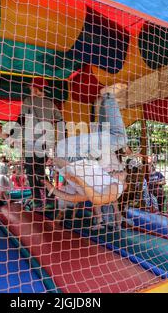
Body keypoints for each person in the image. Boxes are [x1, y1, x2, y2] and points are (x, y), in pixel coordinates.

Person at [44, 83, 131, 230]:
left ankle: (108, 96)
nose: (122, 173)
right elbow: (71, 198)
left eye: (122, 176)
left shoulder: (111, 191)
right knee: (107, 134)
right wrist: (51, 188)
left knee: (120, 138)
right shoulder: (95, 189)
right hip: (69, 156)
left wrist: (60, 165)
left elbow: (92, 194)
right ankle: (105, 99)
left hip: (71, 154)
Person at [15, 78, 63, 211]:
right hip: (46, 142)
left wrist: (12, 136)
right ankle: (50, 199)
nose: (30, 89)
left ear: (35, 89)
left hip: (32, 142)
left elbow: (21, 119)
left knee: (30, 171)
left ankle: (37, 200)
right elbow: (60, 120)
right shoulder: (50, 104)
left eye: (31, 87)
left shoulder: (28, 101)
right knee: (40, 172)